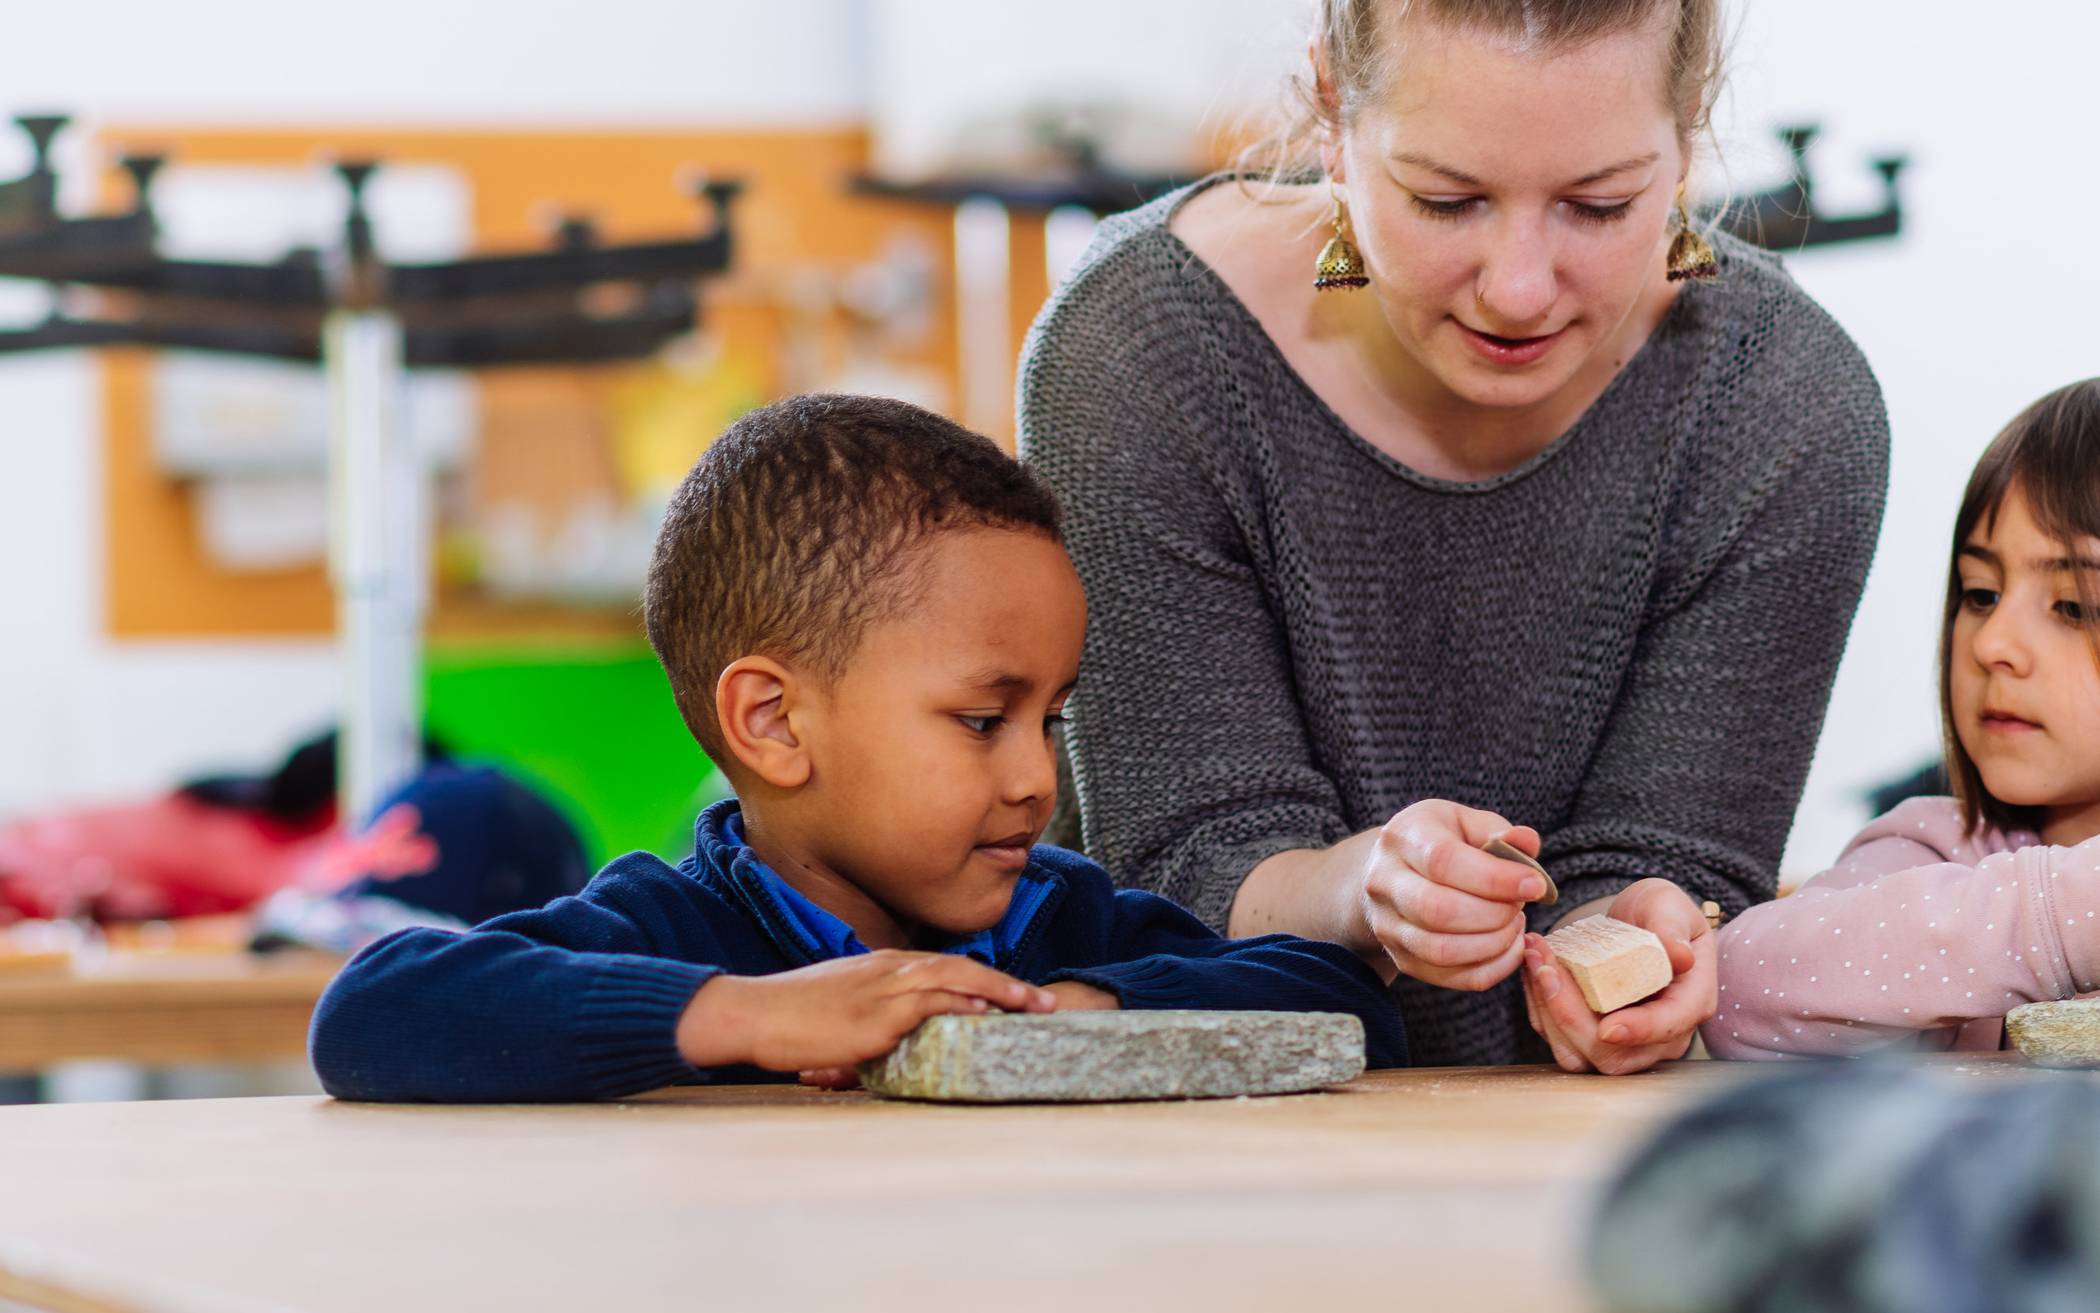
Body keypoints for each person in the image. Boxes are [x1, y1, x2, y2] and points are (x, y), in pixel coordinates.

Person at [1018, 0, 1888, 1071]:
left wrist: (1641, 941)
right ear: (1333, 114)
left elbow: (1668, 863)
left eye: (1599, 204)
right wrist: (1366, 887)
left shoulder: (1784, 405)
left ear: (1690, 126)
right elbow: (1179, 866)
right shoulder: (1140, 355)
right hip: (1192, 1130)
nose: (1517, 288)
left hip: (1566, 1155)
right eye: (1446, 198)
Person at [309, 394, 1408, 1101]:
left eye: (1052, 720)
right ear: (774, 723)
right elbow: (377, 1004)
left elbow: (1344, 997)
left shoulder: (1058, 920)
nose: (1036, 777)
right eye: (984, 720)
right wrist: (750, 1014)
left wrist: (1085, 1017)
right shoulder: (665, 928)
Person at [1705, 380, 2100, 1059]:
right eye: (1980, 593)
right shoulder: (1936, 848)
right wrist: (2064, 915)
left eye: (2071, 605)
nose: (1990, 643)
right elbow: (1735, 990)